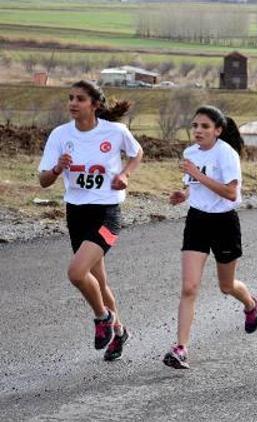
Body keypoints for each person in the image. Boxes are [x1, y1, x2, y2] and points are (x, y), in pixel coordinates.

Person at [38, 80, 143, 361]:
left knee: (76, 273)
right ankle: (119, 332)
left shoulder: (115, 131)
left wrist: (125, 174)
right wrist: (58, 168)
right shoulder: (60, 135)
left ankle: (102, 317)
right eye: (70, 97)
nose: (73, 103)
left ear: (94, 104)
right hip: (77, 213)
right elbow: (43, 180)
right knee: (98, 280)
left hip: (107, 213)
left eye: (80, 99)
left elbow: (137, 153)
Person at [163, 105, 257, 369]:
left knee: (226, 287)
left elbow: (230, 193)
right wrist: (183, 194)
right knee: (189, 287)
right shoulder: (190, 153)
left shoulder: (226, 154)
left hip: (224, 223)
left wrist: (198, 174)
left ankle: (251, 304)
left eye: (205, 126)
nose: (198, 131)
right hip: (197, 220)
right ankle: (181, 348)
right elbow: (192, 185)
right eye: (195, 126)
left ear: (218, 130)